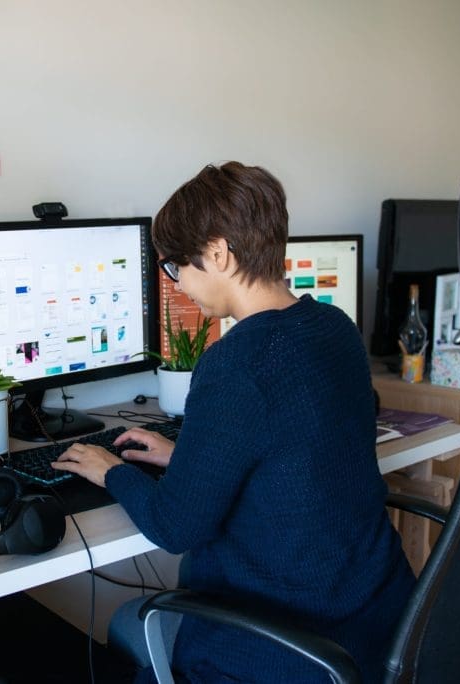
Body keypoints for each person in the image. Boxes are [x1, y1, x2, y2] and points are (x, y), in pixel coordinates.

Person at [52, 162, 416, 682]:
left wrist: (110, 469)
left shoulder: (237, 362)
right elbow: (298, 457)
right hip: (375, 620)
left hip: (281, 645)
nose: (179, 286)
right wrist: (186, 457)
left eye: (179, 268)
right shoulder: (333, 326)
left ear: (219, 253)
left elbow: (176, 528)